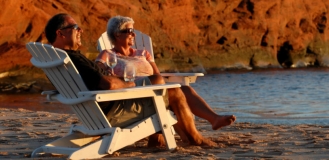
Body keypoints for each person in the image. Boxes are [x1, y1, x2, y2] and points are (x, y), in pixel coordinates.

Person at [44, 13, 215, 146]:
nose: (80, 30)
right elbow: (108, 84)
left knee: (158, 88)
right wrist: (131, 83)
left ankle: (158, 140)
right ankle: (195, 139)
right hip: (113, 112)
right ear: (60, 33)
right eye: (75, 27)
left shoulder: (59, 59)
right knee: (174, 92)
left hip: (93, 112)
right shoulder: (74, 59)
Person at [95, 15, 236, 130]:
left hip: (153, 89)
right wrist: (110, 72)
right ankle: (192, 133)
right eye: (128, 31)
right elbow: (97, 70)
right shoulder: (108, 54)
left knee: (184, 89)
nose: (133, 34)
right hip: (132, 95)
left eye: (133, 31)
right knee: (179, 93)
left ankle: (214, 119)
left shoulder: (143, 53)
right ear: (117, 34)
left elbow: (157, 75)